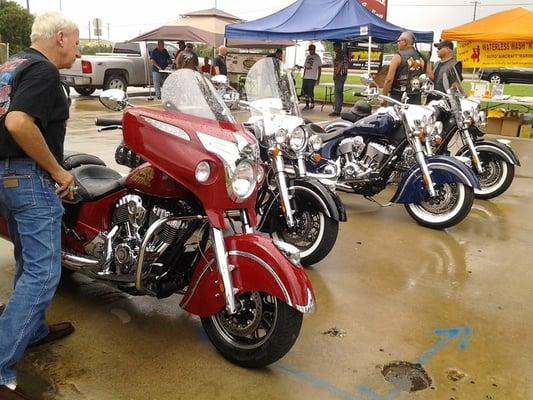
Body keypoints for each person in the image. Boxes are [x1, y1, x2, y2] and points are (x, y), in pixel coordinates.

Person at [0, 12, 79, 399]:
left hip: (5, 177)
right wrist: (58, 172)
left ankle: (32, 330)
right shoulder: (44, 71)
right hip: (27, 177)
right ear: (61, 38)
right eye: (77, 43)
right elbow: (17, 123)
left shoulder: (10, 65)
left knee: (29, 263)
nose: (78, 51)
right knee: (44, 274)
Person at [382, 31, 428, 104]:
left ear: (405, 42)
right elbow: (430, 76)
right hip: (416, 97)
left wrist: (384, 98)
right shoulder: (422, 58)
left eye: (399, 41)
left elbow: (389, 80)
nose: (398, 43)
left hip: (398, 97)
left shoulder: (398, 56)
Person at [329, 41, 349, 117]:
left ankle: (337, 110)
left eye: (334, 47)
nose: (333, 48)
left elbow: (339, 65)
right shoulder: (342, 53)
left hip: (340, 75)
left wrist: (335, 74)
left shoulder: (340, 54)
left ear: (338, 47)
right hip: (342, 75)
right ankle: (338, 108)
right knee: (339, 93)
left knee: (337, 93)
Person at [301, 44, 322, 110]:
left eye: (312, 49)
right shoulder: (308, 57)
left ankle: (312, 103)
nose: (310, 51)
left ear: (314, 49)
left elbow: (320, 68)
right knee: (305, 91)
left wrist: (318, 78)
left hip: (312, 77)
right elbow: (305, 67)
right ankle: (307, 105)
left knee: (310, 91)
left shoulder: (317, 57)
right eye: (309, 49)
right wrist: (303, 76)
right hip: (306, 77)